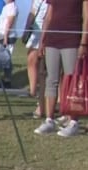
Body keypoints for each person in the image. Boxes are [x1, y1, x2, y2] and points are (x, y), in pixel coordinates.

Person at [33, 0, 88, 137]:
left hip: (72, 40)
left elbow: (86, 18)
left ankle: (73, 121)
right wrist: (42, 40)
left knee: (71, 81)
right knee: (51, 79)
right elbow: (49, 15)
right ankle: (49, 120)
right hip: (53, 39)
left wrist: (84, 42)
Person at [23, 0, 49, 116]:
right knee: (31, 60)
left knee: (46, 68)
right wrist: (27, 28)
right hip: (36, 29)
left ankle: (47, 104)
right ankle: (33, 91)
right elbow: (32, 11)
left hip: (48, 29)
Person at [0, 0, 17, 87]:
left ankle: (7, 81)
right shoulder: (6, 7)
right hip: (2, 36)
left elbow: (9, 23)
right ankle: (4, 80)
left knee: (6, 59)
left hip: (8, 37)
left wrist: (5, 38)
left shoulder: (12, 7)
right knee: (2, 59)